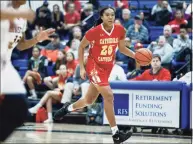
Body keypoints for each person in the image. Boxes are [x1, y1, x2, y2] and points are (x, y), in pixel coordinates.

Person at [54, 7, 135, 143]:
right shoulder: (94, 32)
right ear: (102, 17)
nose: (110, 17)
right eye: (107, 15)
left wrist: (135, 55)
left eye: (113, 15)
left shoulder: (120, 30)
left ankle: (67, 108)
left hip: (107, 68)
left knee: (89, 100)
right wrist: (81, 68)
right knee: (109, 95)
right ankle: (116, 134)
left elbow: (122, 48)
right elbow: (80, 47)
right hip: (94, 67)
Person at [0, 0, 54, 142]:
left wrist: (36, 39)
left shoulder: (23, 15)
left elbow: (21, 46)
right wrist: (6, 15)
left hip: (5, 63)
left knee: (20, 107)